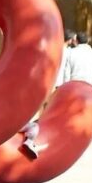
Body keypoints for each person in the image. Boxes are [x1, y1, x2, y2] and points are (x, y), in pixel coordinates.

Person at [21, 30, 77, 158]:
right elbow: (66, 71)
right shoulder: (67, 53)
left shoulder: (51, 50)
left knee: (42, 109)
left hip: (45, 82)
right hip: (57, 84)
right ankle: (37, 134)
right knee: (49, 110)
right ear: (69, 40)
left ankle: (36, 131)